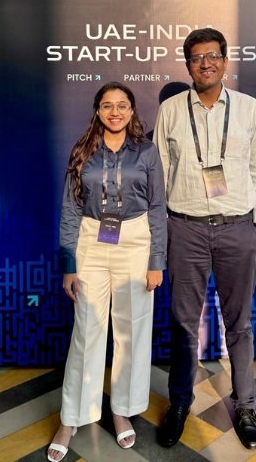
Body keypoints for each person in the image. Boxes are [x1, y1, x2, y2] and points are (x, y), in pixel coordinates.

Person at [153, 28, 256, 450]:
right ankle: (180, 403)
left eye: (213, 56)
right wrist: (164, 228)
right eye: (196, 57)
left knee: (239, 325)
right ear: (187, 65)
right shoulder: (170, 110)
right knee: (183, 324)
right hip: (184, 229)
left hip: (238, 229)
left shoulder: (248, 108)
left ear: (224, 60)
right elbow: (158, 174)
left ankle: (246, 406)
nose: (205, 63)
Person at [46, 82, 167, 462]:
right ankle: (71, 418)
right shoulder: (82, 151)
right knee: (87, 331)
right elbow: (70, 209)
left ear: (132, 111)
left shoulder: (146, 152)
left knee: (131, 332)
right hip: (92, 241)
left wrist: (156, 261)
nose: (115, 112)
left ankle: (121, 411)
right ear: (97, 111)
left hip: (135, 241)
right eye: (107, 106)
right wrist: (69, 265)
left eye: (122, 105)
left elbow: (158, 208)